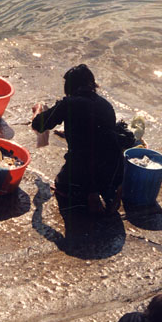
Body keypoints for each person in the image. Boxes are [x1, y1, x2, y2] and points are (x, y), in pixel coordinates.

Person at [31, 64, 126, 214]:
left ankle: (88, 194)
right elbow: (96, 133)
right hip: (114, 168)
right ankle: (110, 191)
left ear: (69, 87)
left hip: (84, 167)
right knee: (99, 153)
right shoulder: (106, 105)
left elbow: (39, 125)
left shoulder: (68, 103)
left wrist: (37, 110)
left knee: (61, 185)